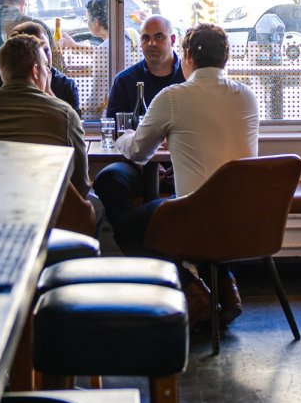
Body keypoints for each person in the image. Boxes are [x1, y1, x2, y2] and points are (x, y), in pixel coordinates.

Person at [94, 24, 258, 325]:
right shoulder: (247, 96)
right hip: (247, 220)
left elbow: (138, 152)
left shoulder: (175, 97)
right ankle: (225, 285)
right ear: (226, 59)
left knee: (129, 228)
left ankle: (195, 292)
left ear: (187, 57)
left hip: (197, 218)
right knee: (170, 208)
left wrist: (124, 135)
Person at [0, 35, 94, 216]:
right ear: (35, 71)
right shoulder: (64, 115)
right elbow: (81, 184)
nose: (49, 73)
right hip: (49, 219)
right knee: (97, 206)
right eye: (47, 67)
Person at [0, 20, 81, 113]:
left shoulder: (66, 86)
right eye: (38, 53)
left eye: (46, 50)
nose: (45, 58)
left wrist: (48, 93)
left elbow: (75, 125)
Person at [104, 14, 184, 118]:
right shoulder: (124, 81)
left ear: (173, 40)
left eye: (159, 37)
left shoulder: (188, 76)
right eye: (146, 38)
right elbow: (116, 128)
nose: (152, 43)